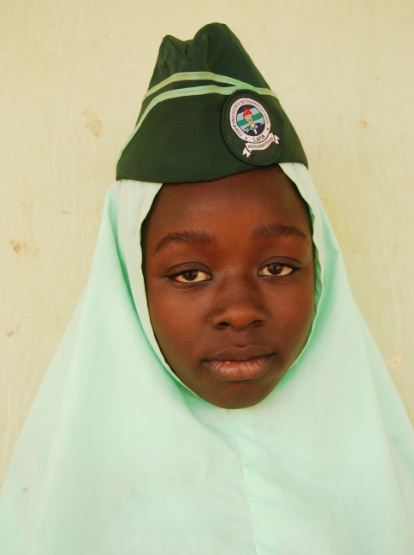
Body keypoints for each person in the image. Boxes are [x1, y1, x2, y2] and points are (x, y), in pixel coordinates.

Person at [0, 22, 413, 554]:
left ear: (320, 270)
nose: (239, 311)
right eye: (190, 274)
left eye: (277, 267)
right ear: (128, 284)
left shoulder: (390, 489)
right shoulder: (58, 516)